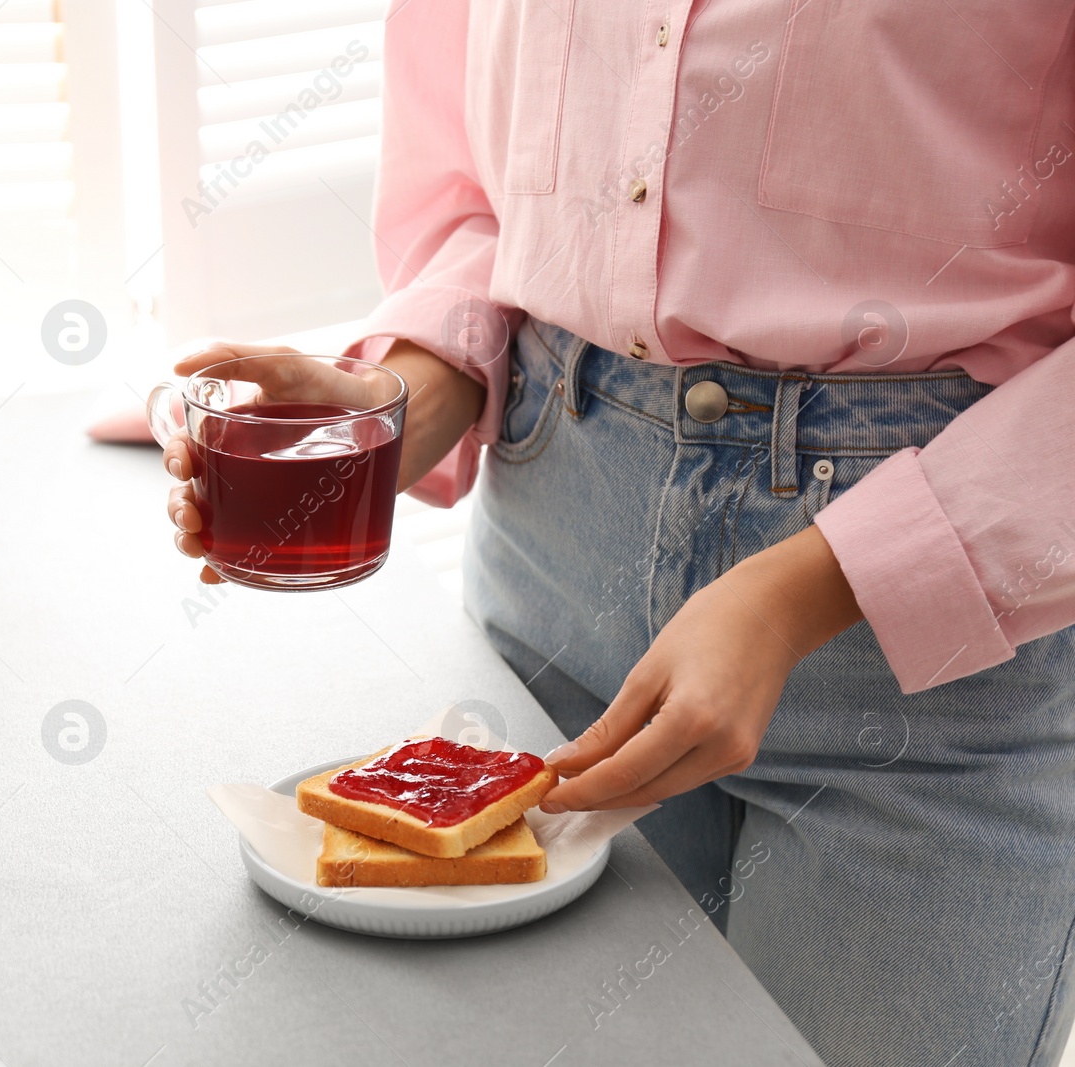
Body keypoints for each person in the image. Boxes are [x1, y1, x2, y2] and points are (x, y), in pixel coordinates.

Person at [163, 3, 1075, 1064]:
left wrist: (794, 595)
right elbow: (480, 194)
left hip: (925, 702)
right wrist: (406, 397)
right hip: (547, 624)